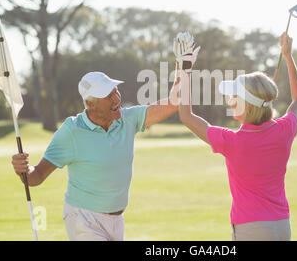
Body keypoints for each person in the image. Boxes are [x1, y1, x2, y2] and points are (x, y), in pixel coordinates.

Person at [11, 66, 184, 240]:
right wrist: (24, 171)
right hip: (83, 219)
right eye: (109, 96)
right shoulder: (72, 131)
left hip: (117, 220)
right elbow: (37, 176)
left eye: (116, 91)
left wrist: (183, 67)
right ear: (90, 103)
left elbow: (174, 102)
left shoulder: (128, 119)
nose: (116, 98)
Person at [177, 32, 297, 241]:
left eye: (234, 97)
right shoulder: (285, 130)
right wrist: (288, 56)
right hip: (282, 226)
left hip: (250, 228)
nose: (230, 101)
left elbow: (186, 115)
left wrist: (185, 70)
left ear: (246, 104)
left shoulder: (231, 142)